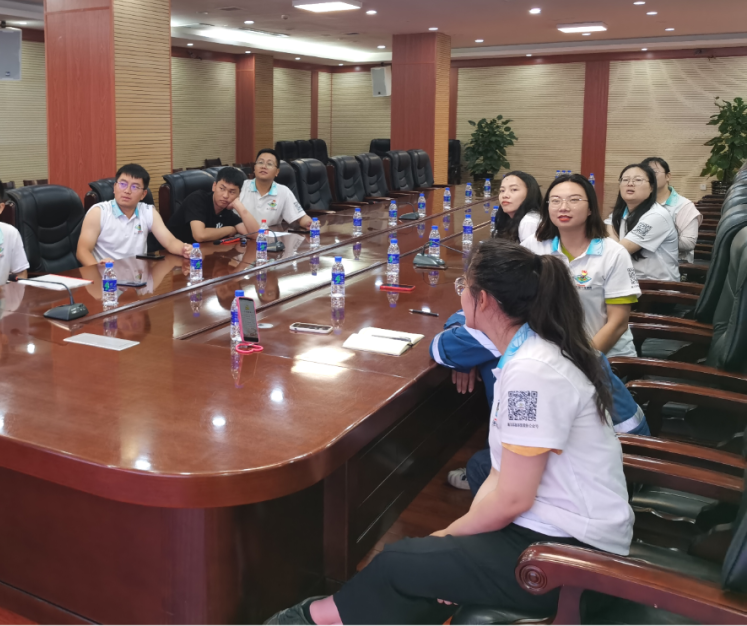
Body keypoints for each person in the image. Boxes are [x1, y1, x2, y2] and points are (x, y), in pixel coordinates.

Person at [265, 240, 633, 626]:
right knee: (422, 569)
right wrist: (457, 543)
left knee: (395, 562)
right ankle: (330, 617)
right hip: (552, 531)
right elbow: (499, 473)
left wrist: (448, 538)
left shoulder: (533, 373)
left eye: (463, 287)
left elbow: (513, 497)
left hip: (570, 557)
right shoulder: (528, 351)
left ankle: (311, 619)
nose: (461, 294)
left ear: (483, 299)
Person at [437, 173, 647, 492]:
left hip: (598, 356)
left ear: (591, 207)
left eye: (574, 200)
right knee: (495, 359)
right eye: (556, 200)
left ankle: (509, 451)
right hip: (560, 350)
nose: (563, 207)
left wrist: (577, 360)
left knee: (490, 457)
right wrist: (465, 357)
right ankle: (509, 444)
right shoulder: (534, 247)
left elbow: (617, 323)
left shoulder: (612, 252)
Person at [76, 163, 193, 265]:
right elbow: (82, 252)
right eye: (123, 184)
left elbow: (170, 242)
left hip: (138, 278)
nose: (127, 191)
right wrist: (99, 269)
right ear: (115, 187)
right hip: (107, 278)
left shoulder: (148, 211)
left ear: (143, 194)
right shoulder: (99, 212)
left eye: (135, 187)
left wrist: (184, 249)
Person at [606, 163, 680, 282]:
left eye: (638, 180)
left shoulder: (656, 216)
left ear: (651, 187)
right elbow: (610, 229)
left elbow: (620, 250)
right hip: (630, 282)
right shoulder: (621, 212)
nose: (630, 183)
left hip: (657, 287)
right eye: (625, 180)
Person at [167, 166, 259, 245]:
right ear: (214, 186)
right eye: (222, 189)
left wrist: (240, 207)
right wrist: (230, 230)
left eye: (232, 192)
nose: (225, 195)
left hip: (202, 253)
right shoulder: (197, 199)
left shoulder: (227, 211)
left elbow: (256, 235)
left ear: (239, 194)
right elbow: (200, 235)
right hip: (170, 252)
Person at [642, 156, 702, 263]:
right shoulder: (639, 203)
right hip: (640, 261)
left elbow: (689, 243)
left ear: (668, 176)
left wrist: (651, 237)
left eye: (653, 172)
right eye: (645, 174)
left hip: (674, 264)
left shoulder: (684, 206)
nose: (649, 177)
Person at [239, 148, 312, 229]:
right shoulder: (241, 187)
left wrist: (309, 223)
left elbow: (301, 217)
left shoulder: (284, 191)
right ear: (254, 168)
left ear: (277, 172)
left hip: (270, 235)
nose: (264, 166)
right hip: (242, 235)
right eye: (260, 162)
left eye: (269, 164)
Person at [492, 171, 542, 242]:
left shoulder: (529, 222)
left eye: (514, 189)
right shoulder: (510, 218)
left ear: (530, 193)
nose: (505, 195)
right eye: (502, 190)